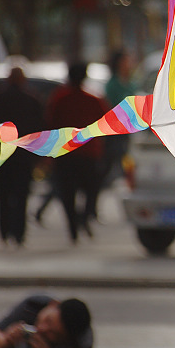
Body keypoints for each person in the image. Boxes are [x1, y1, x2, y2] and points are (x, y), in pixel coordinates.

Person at [45, 62, 110, 242]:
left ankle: (73, 228)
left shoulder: (58, 98)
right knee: (92, 190)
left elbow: (50, 124)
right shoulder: (94, 99)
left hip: (65, 154)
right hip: (89, 154)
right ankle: (83, 218)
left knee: (67, 193)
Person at [0, 67, 44, 246]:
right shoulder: (32, 99)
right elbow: (38, 128)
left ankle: (4, 231)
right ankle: (19, 232)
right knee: (22, 194)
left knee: (2, 194)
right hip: (23, 155)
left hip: (1, 154)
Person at [103, 50, 136, 186]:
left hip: (131, 129)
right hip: (117, 131)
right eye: (125, 61)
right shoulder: (113, 85)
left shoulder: (131, 83)